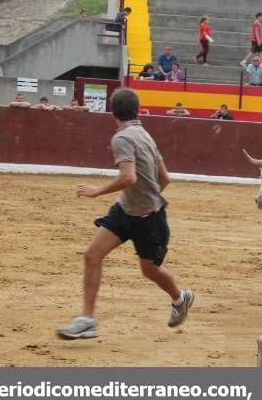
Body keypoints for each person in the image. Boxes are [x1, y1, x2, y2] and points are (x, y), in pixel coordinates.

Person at [57, 87, 194, 340]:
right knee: (92, 254)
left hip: (147, 219)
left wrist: (98, 191)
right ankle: (87, 320)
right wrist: (148, 197)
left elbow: (128, 177)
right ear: (137, 109)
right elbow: (165, 178)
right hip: (128, 211)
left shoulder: (121, 138)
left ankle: (180, 298)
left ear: (113, 112)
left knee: (149, 270)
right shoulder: (145, 134)